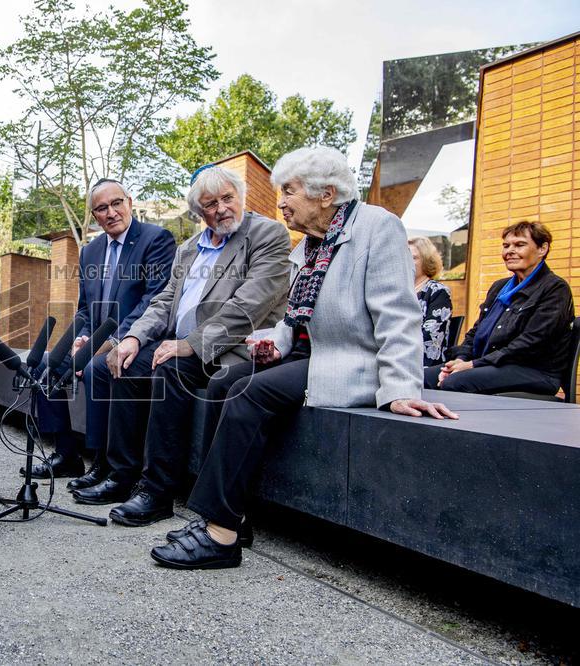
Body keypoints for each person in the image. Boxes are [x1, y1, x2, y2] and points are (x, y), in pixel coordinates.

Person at [150, 146, 457, 570]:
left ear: (326, 194)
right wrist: (276, 340)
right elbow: (298, 315)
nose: (280, 201)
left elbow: (399, 315)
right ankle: (231, 517)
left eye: (289, 190)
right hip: (309, 353)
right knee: (224, 382)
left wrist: (401, 388)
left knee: (249, 393)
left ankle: (220, 536)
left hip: (350, 359)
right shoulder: (311, 245)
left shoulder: (377, 227)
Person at [71, 165, 292, 524]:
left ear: (241, 197)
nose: (221, 208)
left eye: (227, 198)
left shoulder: (267, 235)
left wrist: (190, 343)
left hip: (231, 349)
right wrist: (132, 338)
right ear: (198, 212)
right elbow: (163, 301)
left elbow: (250, 305)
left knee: (170, 369)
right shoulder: (190, 248)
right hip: (179, 345)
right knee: (124, 362)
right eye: (209, 203)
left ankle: (157, 492)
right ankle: (121, 474)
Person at [28, 178, 176, 482]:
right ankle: (66, 455)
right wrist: (77, 339)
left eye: (116, 203)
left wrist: (106, 343)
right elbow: (85, 308)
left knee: (97, 367)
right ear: (95, 215)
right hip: (95, 339)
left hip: (138, 339)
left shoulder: (156, 239)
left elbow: (152, 300)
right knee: (46, 363)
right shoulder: (90, 251)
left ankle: (102, 462)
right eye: (101, 208)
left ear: (130, 202)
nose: (111, 212)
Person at [424, 221, 575, 395]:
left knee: (455, 382)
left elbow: (531, 342)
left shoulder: (554, 288)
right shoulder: (499, 287)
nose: (510, 251)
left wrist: (472, 365)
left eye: (519, 245)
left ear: (542, 248)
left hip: (534, 371)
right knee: (421, 378)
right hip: (488, 364)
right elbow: (475, 332)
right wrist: (460, 359)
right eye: (506, 245)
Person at [408, 236, 452, 366]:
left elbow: (431, 337)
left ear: (426, 261)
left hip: (421, 361)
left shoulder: (438, 291)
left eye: (414, 257)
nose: (407, 261)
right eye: (404, 257)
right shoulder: (397, 291)